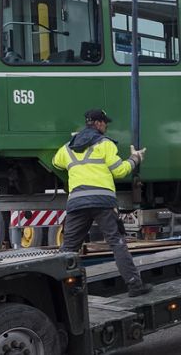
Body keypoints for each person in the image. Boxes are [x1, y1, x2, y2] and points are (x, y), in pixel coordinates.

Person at [53, 109, 152, 297]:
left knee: (68, 249)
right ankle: (134, 285)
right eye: (105, 123)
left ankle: (60, 291)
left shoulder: (67, 148)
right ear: (98, 123)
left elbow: (56, 163)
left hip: (77, 203)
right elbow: (119, 171)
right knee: (117, 242)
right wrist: (135, 159)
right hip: (102, 203)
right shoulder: (105, 144)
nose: (106, 126)